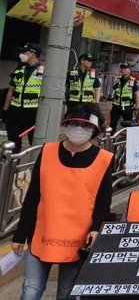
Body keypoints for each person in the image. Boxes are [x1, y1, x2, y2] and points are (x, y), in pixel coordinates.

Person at [11, 104, 113, 300]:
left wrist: (96, 228)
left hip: (78, 239)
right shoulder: (48, 151)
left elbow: (103, 201)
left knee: (66, 294)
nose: (78, 129)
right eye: (74, 124)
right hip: (42, 233)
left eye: (84, 126)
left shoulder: (104, 159)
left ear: (95, 129)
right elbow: (33, 196)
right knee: (30, 290)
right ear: (65, 125)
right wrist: (20, 235)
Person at [3, 43, 44, 153]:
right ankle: (12, 169)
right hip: (15, 112)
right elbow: (11, 91)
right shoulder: (19, 69)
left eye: (23, 52)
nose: (21, 54)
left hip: (33, 113)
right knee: (13, 144)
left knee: (34, 143)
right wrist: (5, 111)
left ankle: (34, 167)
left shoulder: (44, 71)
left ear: (32, 54)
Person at [110, 63, 139, 128]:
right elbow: (115, 93)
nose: (123, 70)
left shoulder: (133, 81)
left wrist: (137, 108)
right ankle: (111, 136)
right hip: (116, 107)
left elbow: (137, 95)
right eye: (122, 68)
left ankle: (127, 137)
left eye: (125, 68)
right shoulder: (117, 80)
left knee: (128, 125)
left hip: (128, 107)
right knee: (112, 124)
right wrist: (113, 103)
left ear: (129, 70)